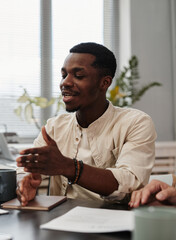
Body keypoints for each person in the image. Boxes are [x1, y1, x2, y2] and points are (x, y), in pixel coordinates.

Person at [16, 42, 156, 206]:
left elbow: (130, 183)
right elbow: (24, 171)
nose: (65, 83)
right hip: (58, 224)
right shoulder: (54, 126)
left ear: (104, 83)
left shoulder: (136, 123)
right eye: (64, 75)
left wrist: (68, 167)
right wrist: (24, 182)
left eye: (79, 76)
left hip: (112, 224)